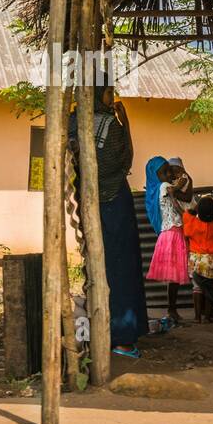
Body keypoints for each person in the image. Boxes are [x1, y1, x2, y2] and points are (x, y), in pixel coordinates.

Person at [69, 86, 147, 359]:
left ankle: (103, 330)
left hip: (90, 202)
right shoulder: (109, 125)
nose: (111, 98)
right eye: (108, 93)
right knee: (122, 267)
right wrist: (125, 123)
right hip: (114, 201)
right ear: (98, 93)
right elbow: (124, 160)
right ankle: (122, 337)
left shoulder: (74, 122)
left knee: (100, 266)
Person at [144, 156, 193, 324]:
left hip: (170, 233)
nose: (168, 174)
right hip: (174, 233)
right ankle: (172, 310)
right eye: (164, 172)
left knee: (174, 276)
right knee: (175, 277)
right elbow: (185, 197)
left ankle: (172, 309)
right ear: (154, 175)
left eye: (169, 170)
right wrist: (187, 178)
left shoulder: (155, 188)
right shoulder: (164, 186)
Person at [183, 195, 213, 324]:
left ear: (199, 212)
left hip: (197, 260)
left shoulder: (193, 223)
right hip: (212, 260)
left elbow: (186, 214)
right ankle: (207, 317)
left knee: (197, 288)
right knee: (209, 288)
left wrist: (196, 208)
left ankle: (197, 317)